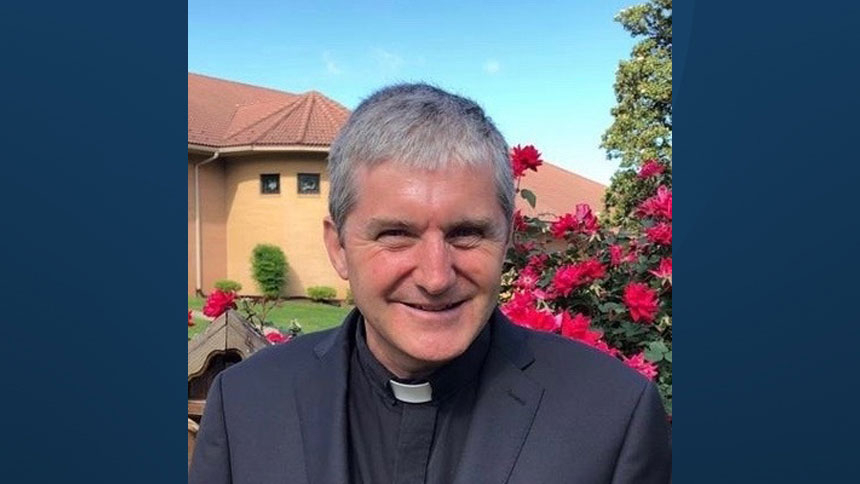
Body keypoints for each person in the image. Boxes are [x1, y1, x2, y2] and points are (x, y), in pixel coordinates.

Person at [189, 84, 671, 484]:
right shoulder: (246, 403)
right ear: (338, 247)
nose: (436, 276)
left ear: (506, 239)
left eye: (466, 234)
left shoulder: (613, 416)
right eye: (396, 235)